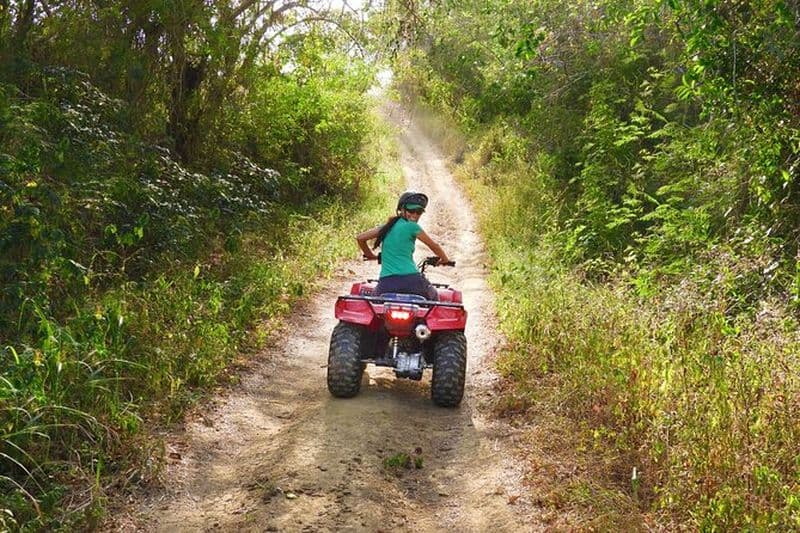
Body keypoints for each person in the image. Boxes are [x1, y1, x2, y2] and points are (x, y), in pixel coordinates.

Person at [357, 191, 451, 300]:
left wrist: (370, 256)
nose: (415, 215)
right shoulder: (413, 227)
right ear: (401, 209)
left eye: (419, 212)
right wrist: (445, 260)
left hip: (386, 284)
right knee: (434, 298)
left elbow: (360, 238)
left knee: (375, 304)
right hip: (413, 281)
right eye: (411, 210)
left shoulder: (386, 227)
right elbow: (434, 246)